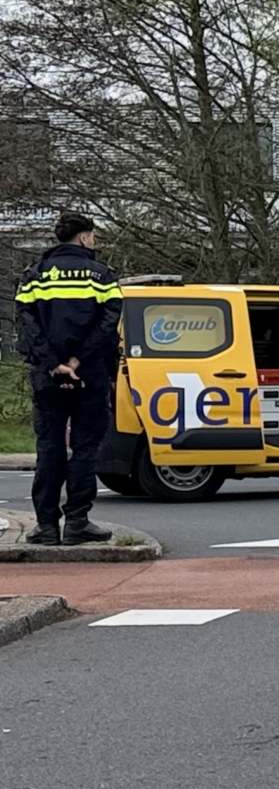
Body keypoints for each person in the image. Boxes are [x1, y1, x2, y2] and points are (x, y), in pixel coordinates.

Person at [14, 212, 122, 546]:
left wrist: (53, 363)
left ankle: (46, 526)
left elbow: (27, 324)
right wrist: (78, 360)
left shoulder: (35, 276)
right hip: (90, 375)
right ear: (84, 237)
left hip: (47, 377)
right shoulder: (102, 277)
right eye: (93, 236)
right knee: (86, 448)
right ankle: (77, 521)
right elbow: (108, 324)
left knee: (49, 447)